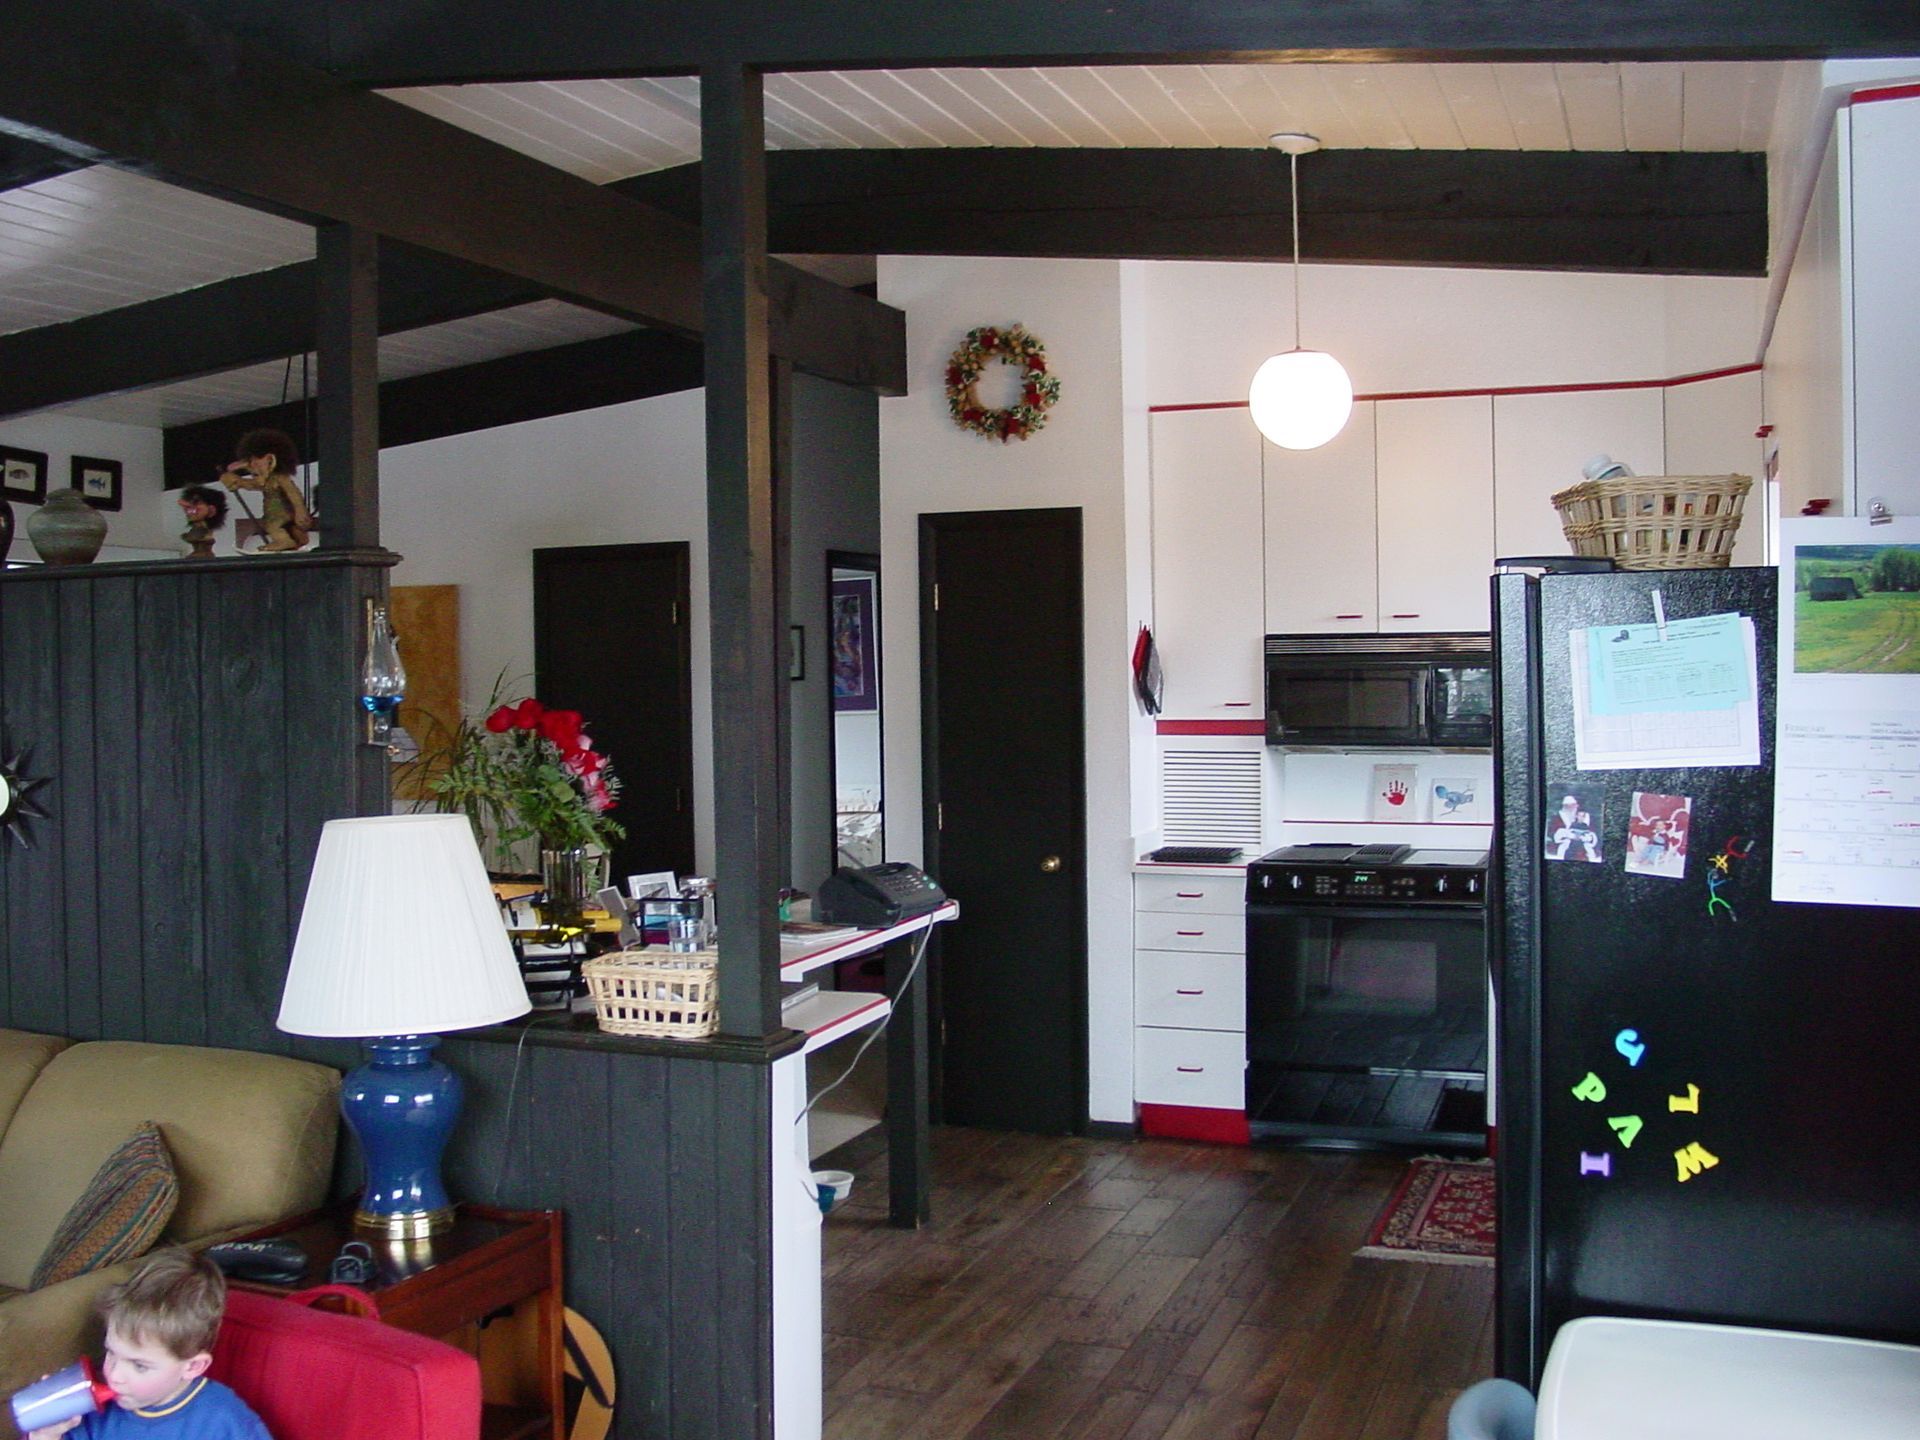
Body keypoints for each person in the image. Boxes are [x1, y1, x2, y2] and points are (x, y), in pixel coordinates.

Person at [27, 1247, 271, 1440]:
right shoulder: (92, 1412)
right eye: (111, 1352)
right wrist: (46, 1434)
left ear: (193, 1366)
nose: (114, 1375)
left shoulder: (223, 1421)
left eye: (139, 1365)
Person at [219, 429, 312, 553]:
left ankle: (284, 541)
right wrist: (239, 482)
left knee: (273, 525)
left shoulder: (280, 478)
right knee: (271, 524)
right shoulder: (267, 479)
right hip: (273, 510)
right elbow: (254, 485)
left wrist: (300, 510)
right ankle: (287, 541)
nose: (252, 465)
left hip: (281, 510)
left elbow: (293, 493)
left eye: (255, 460)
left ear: (270, 459)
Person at [176, 485, 228, 559]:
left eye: (197, 504)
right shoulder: (195, 530)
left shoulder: (203, 532)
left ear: (212, 510)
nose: (189, 510)